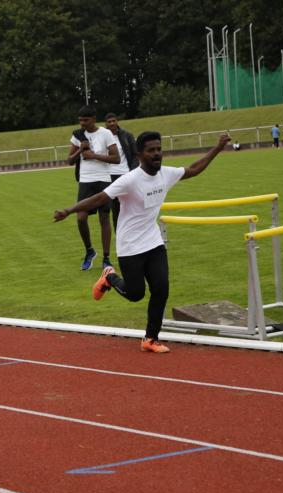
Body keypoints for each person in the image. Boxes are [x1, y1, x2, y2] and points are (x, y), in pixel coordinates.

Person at [53, 132, 232, 354]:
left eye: (159, 149)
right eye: (151, 150)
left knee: (161, 288)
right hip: (130, 246)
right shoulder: (130, 180)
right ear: (139, 154)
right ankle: (109, 277)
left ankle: (150, 339)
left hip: (153, 242)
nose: (157, 154)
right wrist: (68, 210)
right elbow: (100, 198)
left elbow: (193, 169)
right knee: (135, 294)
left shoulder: (166, 174)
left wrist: (218, 148)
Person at [66, 105, 120, 270]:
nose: (82, 123)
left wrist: (94, 155)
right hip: (85, 181)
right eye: (80, 120)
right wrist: (79, 151)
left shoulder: (105, 133)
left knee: (104, 218)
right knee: (81, 218)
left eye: (86, 120)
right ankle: (90, 251)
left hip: (103, 180)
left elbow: (116, 158)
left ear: (94, 119)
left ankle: (106, 258)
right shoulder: (78, 135)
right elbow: (69, 161)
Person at [103, 112, 138, 238]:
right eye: (109, 122)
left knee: (130, 204)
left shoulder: (127, 135)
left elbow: (135, 155)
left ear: (117, 121)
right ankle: (120, 235)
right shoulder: (102, 137)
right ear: (105, 124)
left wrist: (132, 171)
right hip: (110, 176)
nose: (112, 123)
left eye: (114, 121)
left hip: (126, 174)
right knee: (115, 207)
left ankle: (133, 232)